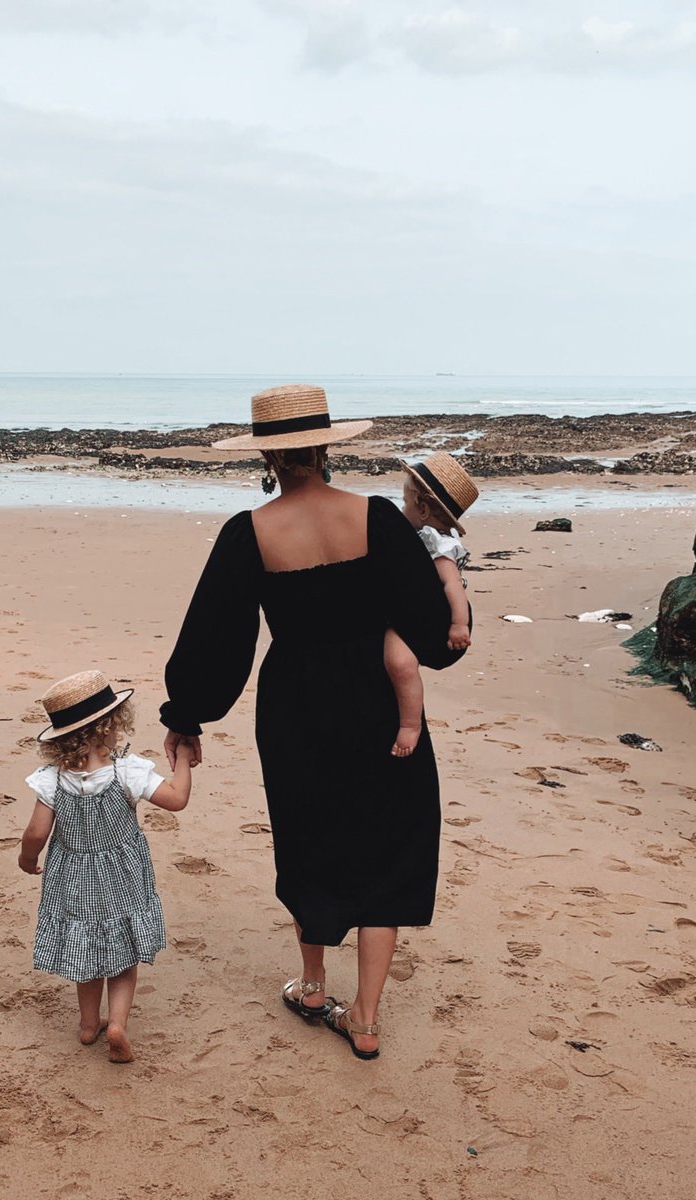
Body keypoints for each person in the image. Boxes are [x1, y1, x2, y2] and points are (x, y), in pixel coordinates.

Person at [159, 384, 467, 1061]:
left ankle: (312, 983)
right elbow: (432, 629)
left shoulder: (250, 533)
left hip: (295, 705)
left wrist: (187, 715)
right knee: (390, 847)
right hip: (379, 703)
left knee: (311, 841)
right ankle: (366, 1017)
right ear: (327, 446)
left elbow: (216, 636)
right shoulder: (379, 518)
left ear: (268, 455)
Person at [18, 669, 194, 1064]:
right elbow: (176, 799)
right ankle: (116, 1024)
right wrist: (183, 759)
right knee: (123, 955)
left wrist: (27, 859)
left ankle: (87, 1024)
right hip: (123, 877)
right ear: (112, 726)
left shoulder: (51, 779)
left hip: (73, 879)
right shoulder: (126, 771)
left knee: (85, 950)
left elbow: (35, 833)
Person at [384, 451, 479, 757]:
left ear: (422, 507)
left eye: (406, 501)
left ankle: (410, 725)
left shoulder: (438, 546)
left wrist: (459, 625)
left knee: (400, 664)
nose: (402, 507)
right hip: (416, 610)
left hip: (435, 619)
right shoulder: (424, 537)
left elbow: (453, 585)